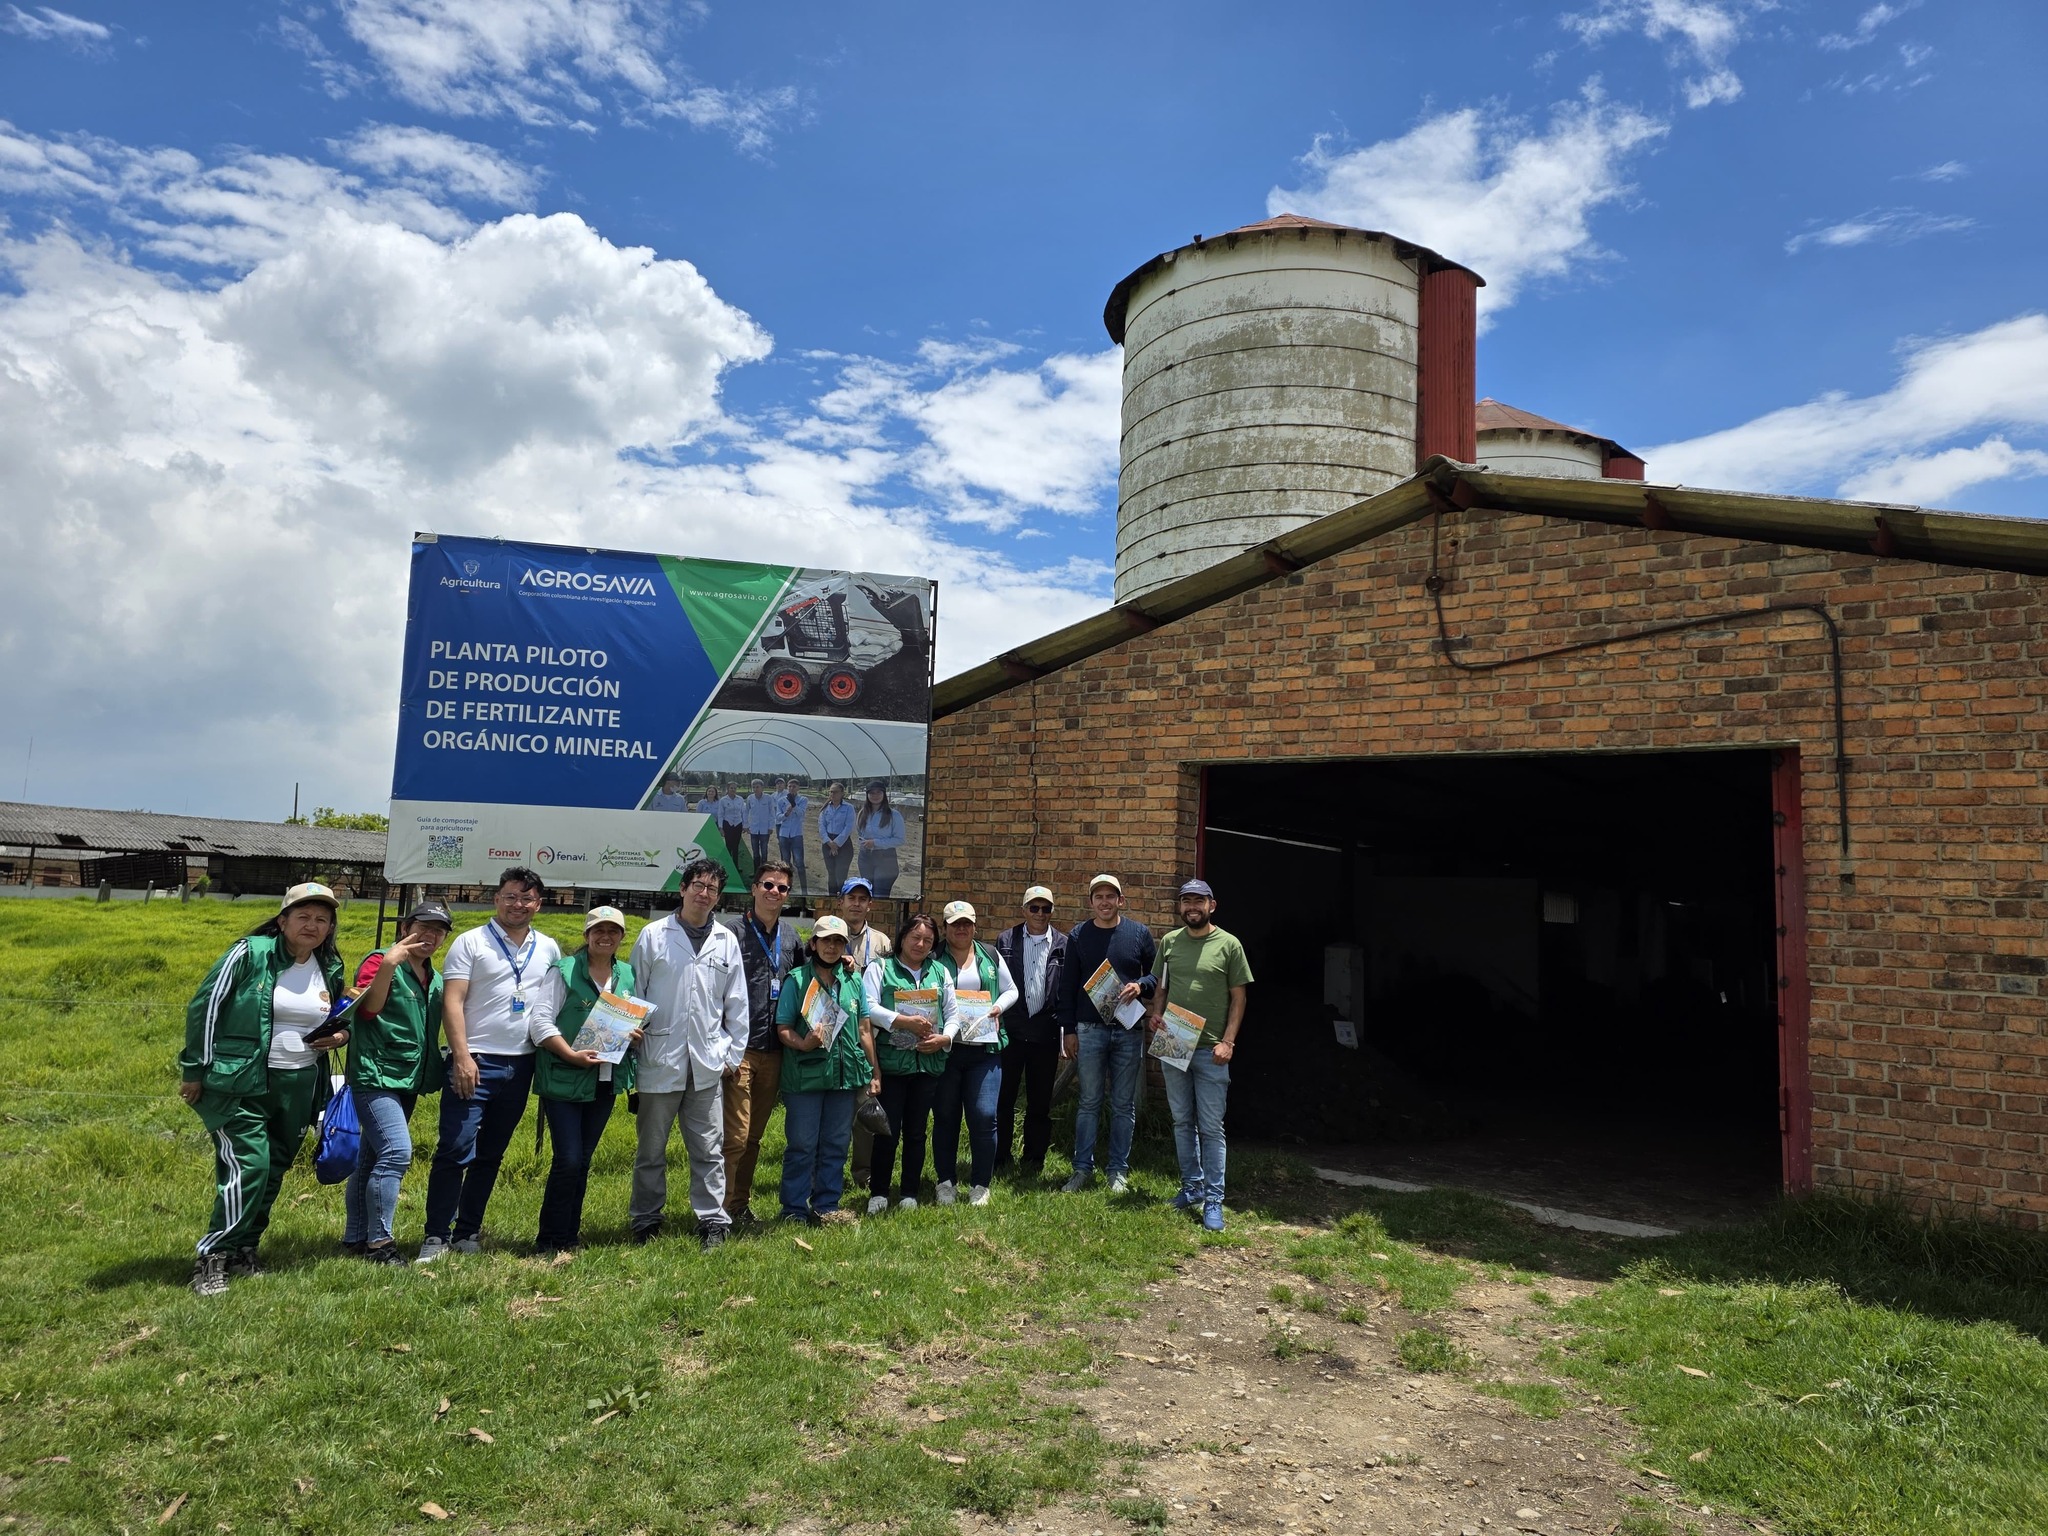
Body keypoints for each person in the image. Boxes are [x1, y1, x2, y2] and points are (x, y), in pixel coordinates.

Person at [178, 882, 351, 1295]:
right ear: (283, 920)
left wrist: (339, 1039)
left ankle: (244, 1248)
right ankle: (212, 1256)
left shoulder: (329, 966)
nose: (312, 925)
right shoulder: (249, 953)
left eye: (322, 919)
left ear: (330, 928)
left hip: (300, 1083)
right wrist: (194, 1069)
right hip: (241, 1081)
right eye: (304, 916)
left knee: (273, 1169)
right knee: (249, 1166)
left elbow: (338, 1019)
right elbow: (205, 1007)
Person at [419, 867, 561, 1262]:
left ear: (538, 904)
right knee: (454, 1148)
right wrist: (461, 1056)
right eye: (511, 896)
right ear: (497, 899)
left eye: (527, 898)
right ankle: (435, 1236)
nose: (519, 904)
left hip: (522, 1065)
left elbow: (553, 1006)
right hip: (475, 1062)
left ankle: (467, 1233)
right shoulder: (471, 942)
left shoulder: (548, 947)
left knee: (491, 1154)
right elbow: (453, 1001)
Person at [629, 856, 751, 1249]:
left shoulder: (726, 941)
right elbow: (634, 996)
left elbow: (737, 1004)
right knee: (650, 1150)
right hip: (658, 1059)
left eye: (712, 888)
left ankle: (713, 1221)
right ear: (682, 889)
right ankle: (646, 1218)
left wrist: (731, 1056)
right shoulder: (652, 936)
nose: (704, 893)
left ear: (718, 897)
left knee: (708, 1149)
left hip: (708, 1063)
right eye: (697, 885)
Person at [343, 900, 452, 1267]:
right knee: (396, 1152)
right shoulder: (380, 960)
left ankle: (356, 1236)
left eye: (438, 930)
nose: (430, 935)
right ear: (405, 927)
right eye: (423, 926)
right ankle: (381, 1244)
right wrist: (389, 965)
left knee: (372, 1155)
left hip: (408, 1077)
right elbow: (369, 1009)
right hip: (375, 1074)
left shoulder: (434, 977)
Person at [531, 906, 642, 1253]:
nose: (605, 937)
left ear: (622, 937)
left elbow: (628, 1020)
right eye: (598, 930)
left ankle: (570, 1236)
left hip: (605, 1081)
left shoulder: (626, 974)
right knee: (567, 1159)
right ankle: (549, 1237)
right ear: (586, 935)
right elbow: (540, 1022)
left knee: (582, 1160)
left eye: (613, 931)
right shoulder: (564, 971)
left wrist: (634, 1034)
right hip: (565, 1076)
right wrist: (569, 1054)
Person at [1149, 880, 1253, 1233]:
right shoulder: (1169, 943)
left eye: (1198, 901)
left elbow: (1238, 998)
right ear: (1180, 907)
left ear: (1212, 905)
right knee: (1181, 1121)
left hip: (1211, 1048)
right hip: (1175, 1041)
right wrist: (1156, 1014)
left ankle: (1213, 1200)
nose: (1192, 906)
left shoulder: (1229, 945)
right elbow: (1161, 987)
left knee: (1210, 1127)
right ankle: (1190, 1188)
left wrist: (1229, 1042)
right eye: (1186, 901)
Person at [773, 915, 879, 1224]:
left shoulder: (853, 980)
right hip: (805, 1078)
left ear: (845, 946)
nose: (831, 946)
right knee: (802, 1145)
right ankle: (793, 1208)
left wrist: (874, 1073)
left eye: (838, 941)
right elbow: (782, 1028)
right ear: (813, 943)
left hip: (843, 1078)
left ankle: (826, 1206)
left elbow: (863, 1029)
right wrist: (804, 1043)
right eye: (826, 940)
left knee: (835, 1144)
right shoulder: (796, 980)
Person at [1061, 875, 1157, 1195]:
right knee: (1088, 1101)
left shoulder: (1138, 933)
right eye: (1098, 896)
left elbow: (1156, 976)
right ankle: (1081, 1169)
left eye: (1110, 896)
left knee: (1123, 1104)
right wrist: (1070, 1031)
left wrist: (1141, 985)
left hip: (1128, 1030)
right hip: (1090, 1030)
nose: (1104, 901)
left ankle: (1117, 1171)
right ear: (1091, 902)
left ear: (1121, 900)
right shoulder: (1078, 936)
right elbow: (1067, 987)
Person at [720, 860, 803, 1225]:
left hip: (775, 1050)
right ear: (754, 888)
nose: (774, 892)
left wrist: (844, 961)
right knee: (734, 1136)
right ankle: (716, 1209)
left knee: (753, 1137)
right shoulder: (728, 933)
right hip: (739, 1048)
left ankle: (738, 1204)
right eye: (768, 885)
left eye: (782, 888)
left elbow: (807, 978)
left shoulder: (792, 937)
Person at [862, 912, 957, 1212]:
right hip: (892, 1062)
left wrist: (946, 1038)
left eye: (928, 940)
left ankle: (909, 1193)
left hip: (927, 1065)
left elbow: (953, 1014)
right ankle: (879, 1192)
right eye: (915, 937)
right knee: (887, 1130)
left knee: (917, 1132)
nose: (920, 944)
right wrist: (901, 1020)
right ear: (902, 937)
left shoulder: (940, 972)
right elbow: (868, 1007)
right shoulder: (881, 968)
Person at [929, 902, 1019, 1207]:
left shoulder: (989, 956)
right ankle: (945, 1182)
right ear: (944, 928)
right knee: (945, 1117)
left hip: (985, 1050)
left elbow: (1011, 990)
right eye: (955, 924)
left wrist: (998, 1006)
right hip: (947, 1052)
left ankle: (981, 1184)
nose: (961, 929)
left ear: (975, 927)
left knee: (984, 1115)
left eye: (967, 923)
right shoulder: (933, 958)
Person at [993, 885, 1070, 1176]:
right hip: (1012, 1029)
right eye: (1034, 908)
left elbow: (1066, 987)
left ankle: (1034, 1159)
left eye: (1046, 908)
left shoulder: (1063, 943)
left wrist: (1066, 1028)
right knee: (1004, 1097)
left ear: (1052, 911)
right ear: (1024, 909)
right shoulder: (1006, 939)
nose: (1040, 914)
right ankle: (1000, 1156)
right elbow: (996, 983)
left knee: (1040, 1101)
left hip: (1045, 1030)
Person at [839, 875, 894, 1190]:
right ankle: (829, 1170)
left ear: (870, 904)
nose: (856, 904)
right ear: (841, 902)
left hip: (868, 1038)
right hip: (833, 1038)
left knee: (865, 1111)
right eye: (851, 898)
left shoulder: (882, 942)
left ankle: (863, 1175)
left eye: (863, 899)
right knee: (834, 1114)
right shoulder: (827, 934)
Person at [855, 780, 907, 896]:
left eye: (878, 792)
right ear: (867, 795)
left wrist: (876, 843)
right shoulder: (862, 814)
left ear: (884, 794)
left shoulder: (894, 815)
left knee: (880, 894)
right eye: (872, 793)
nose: (875, 796)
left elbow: (900, 839)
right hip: (865, 858)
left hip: (885, 860)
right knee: (867, 893)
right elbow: (859, 833)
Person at [818, 782, 856, 894]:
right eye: (831, 791)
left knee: (841, 874)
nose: (832, 794)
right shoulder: (825, 809)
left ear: (842, 793)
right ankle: (832, 898)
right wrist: (829, 842)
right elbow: (821, 826)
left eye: (835, 792)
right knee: (831, 873)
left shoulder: (849, 808)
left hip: (844, 844)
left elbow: (849, 827)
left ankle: (842, 898)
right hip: (828, 842)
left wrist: (837, 843)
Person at [776, 781, 810, 895]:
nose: (791, 788)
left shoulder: (803, 800)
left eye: (794, 786)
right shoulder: (781, 801)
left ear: (798, 788)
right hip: (784, 834)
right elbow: (778, 817)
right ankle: (787, 887)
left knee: (799, 862)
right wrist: (785, 814)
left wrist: (794, 805)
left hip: (796, 834)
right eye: (789, 786)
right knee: (786, 862)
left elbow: (801, 815)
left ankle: (804, 889)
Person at [744, 779, 778, 868]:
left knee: (764, 851)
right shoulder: (750, 798)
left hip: (765, 829)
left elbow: (772, 813)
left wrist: (771, 826)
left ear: (762, 788)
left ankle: (764, 872)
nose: (755, 789)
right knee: (755, 852)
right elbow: (746, 812)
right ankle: (756, 872)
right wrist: (746, 825)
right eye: (753, 787)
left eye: (757, 787)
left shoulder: (768, 798)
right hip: (753, 830)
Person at [716, 783, 747, 862]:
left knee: (736, 846)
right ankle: (728, 866)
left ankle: (736, 866)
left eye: (734, 788)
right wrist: (721, 827)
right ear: (728, 789)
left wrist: (745, 825)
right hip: (728, 824)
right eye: (731, 788)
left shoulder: (740, 799)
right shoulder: (723, 800)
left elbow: (743, 812)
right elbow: (720, 814)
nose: (733, 790)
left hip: (738, 824)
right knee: (728, 846)